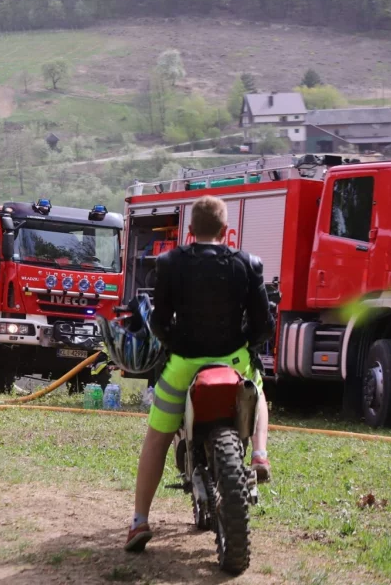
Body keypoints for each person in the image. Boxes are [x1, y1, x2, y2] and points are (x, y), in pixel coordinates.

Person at [125, 195, 275, 553]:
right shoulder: (248, 263)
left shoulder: (169, 263)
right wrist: (244, 343)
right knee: (258, 390)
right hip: (233, 361)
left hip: (184, 363)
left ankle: (139, 521)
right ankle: (259, 454)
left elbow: (159, 322)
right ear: (226, 231)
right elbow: (264, 326)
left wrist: (177, 344)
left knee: (156, 440)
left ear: (190, 230)